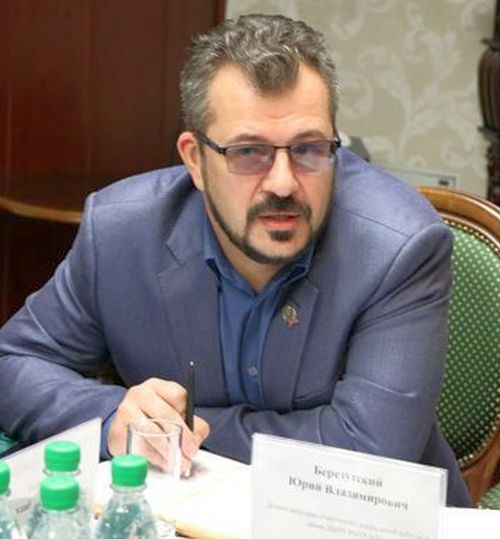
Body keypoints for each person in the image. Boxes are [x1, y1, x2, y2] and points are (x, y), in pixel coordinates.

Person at [0, 14, 470, 506]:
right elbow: (15, 364)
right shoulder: (121, 232)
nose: (283, 183)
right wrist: (116, 416)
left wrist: (175, 431)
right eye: (249, 152)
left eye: (309, 149)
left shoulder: (399, 246)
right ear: (195, 159)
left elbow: (368, 455)